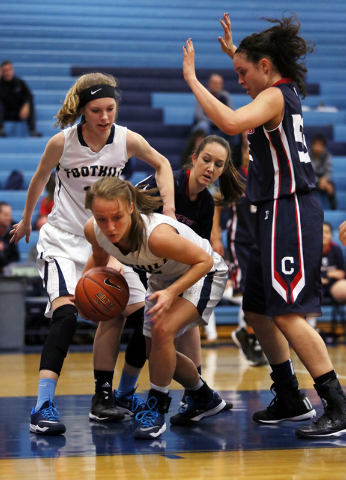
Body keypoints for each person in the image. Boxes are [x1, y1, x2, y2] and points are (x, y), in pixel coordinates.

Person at [182, 13, 346, 438]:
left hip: (291, 211)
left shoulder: (274, 96)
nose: (239, 80)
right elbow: (251, 83)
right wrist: (237, 53)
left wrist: (194, 81)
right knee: (257, 308)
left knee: (290, 315)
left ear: (266, 67)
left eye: (243, 72)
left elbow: (232, 123)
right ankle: (290, 396)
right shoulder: (274, 91)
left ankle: (337, 403)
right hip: (272, 212)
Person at [9, 72, 176, 435]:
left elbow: (162, 164)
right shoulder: (62, 142)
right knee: (66, 316)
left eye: (110, 109)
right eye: (97, 110)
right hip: (63, 240)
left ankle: (111, 396)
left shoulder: (126, 139)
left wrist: (170, 212)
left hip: (107, 239)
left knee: (142, 318)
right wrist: (25, 221)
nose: (105, 117)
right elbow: (39, 178)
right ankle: (42, 405)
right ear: (83, 111)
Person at [82, 175, 230, 440]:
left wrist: (172, 293)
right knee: (156, 352)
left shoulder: (156, 236)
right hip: (164, 278)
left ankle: (156, 409)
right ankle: (204, 397)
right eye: (102, 219)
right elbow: (100, 257)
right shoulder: (93, 230)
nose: (110, 227)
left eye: (116, 217)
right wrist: (83, 293)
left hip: (204, 272)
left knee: (162, 330)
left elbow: (204, 261)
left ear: (130, 207)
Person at [111, 135, 243, 416]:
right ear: (194, 158)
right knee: (151, 329)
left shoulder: (206, 204)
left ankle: (192, 393)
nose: (210, 168)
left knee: (172, 328)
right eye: (206, 160)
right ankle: (127, 392)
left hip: (171, 269)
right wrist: (113, 258)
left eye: (218, 165)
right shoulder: (167, 182)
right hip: (136, 260)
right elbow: (121, 211)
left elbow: (200, 254)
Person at [211, 133, 267, 366]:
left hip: (264, 240)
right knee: (247, 289)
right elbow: (217, 204)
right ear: (243, 153)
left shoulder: (266, 176)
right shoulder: (234, 177)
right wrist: (216, 235)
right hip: (240, 242)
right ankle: (250, 336)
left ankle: (247, 334)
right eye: (247, 150)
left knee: (260, 292)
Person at [0, 60, 42, 138]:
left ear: (12, 70)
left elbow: (29, 96)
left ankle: (32, 131)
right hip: (4, 114)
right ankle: (0, 129)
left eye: (9, 70)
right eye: (5, 71)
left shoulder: (19, 82)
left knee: (30, 104)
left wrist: (26, 105)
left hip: (18, 113)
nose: (7, 72)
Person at [191, 74, 233, 138]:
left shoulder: (226, 97)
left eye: (219, 83)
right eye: (214, 83)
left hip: (222, 125)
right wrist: (216, 121)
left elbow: (231, 114)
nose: (216, 85)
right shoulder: (201, 95)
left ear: (222, 85)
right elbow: (199, 116)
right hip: (207, 124)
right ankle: (201, 147)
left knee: (234, 127)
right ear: (209, 84)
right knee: (202, 125)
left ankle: (234, 147)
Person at [309, 134, 336, 210]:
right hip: (311, 180)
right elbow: (309, 172)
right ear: (312, 146)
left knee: (331, 187)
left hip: (324, 179)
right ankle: (311, 210)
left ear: (324, 147)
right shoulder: (306, 154)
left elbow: (329, 170)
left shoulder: (327, 155)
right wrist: (319, 181)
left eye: (320, 145)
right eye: (316, 145)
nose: (317, 148)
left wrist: (325, 179)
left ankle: (333, 209)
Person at [0, 201, 19, 272]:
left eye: (9, 215)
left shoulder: (13, 230)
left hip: (7, 272)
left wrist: (8, 267)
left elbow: (15, 257)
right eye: (5, 215)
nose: (8, 218)